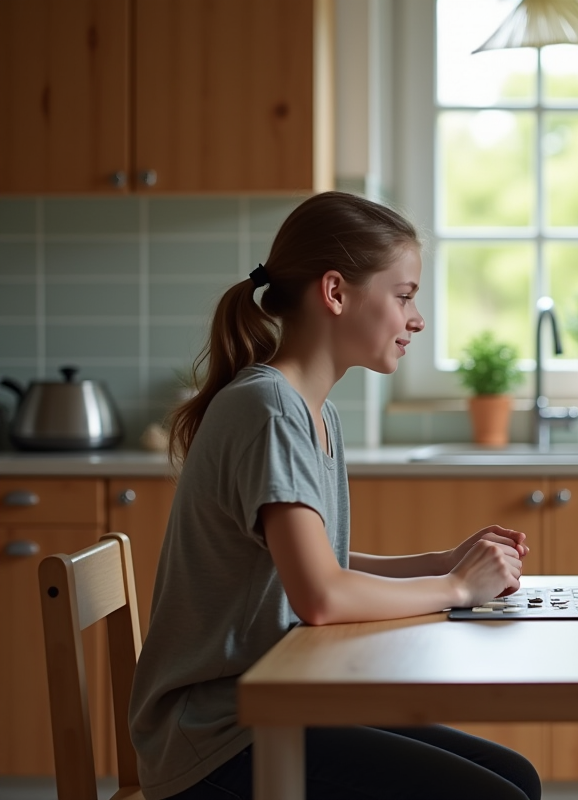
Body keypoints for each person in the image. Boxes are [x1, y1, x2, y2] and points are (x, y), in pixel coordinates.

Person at [129, 191, 540, 800]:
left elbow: (321, 567)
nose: (417, 319)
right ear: (335, 292)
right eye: (404, 296)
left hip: (275, 700)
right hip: (218, 735)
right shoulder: (269, 408)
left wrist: (442, 563)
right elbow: (320, 596)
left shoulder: (309, 409)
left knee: (516, 779)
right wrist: (457, 589)